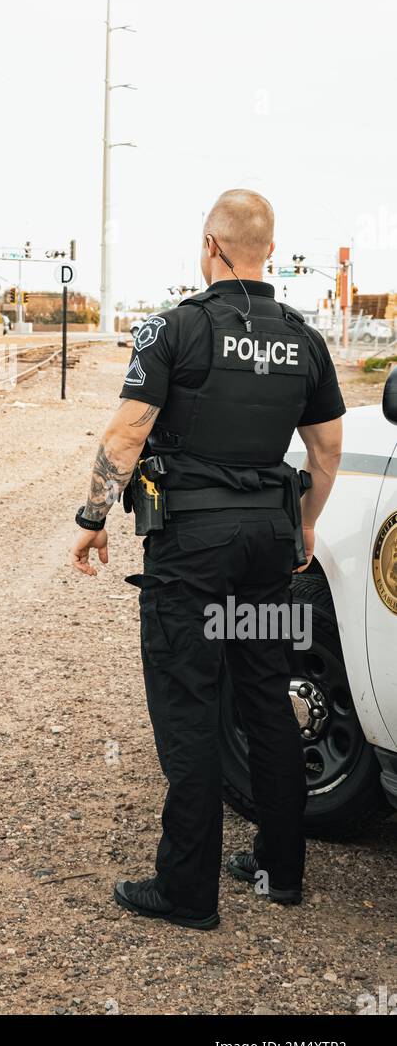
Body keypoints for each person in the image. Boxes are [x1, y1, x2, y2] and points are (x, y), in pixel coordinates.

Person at [71, 189, 344, 930]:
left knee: (189, 707)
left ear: (208, 246)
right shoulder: (303, 337)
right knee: (264, 698)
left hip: (191, 547)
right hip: (265, 544)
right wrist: (305, 526)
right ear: (270, 250)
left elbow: (128, 432)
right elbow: (325, 449)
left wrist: (93, 517)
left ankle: (186, 892)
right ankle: (278, 869)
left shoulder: (174, 329)